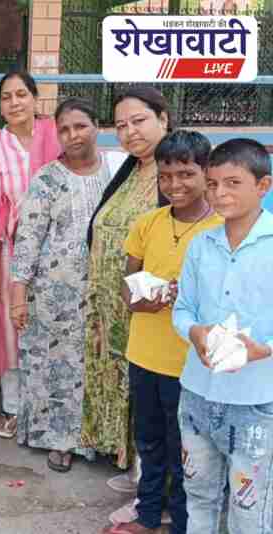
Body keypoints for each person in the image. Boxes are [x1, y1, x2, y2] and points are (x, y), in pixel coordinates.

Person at [102, 131, 221, 534]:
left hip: (189, 363)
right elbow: (127, 281)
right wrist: (138, 299)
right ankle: (148, 514)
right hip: (144, 354)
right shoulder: (147, 223)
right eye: (166, 176)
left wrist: (182, 297)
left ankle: (183, 524)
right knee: (150, 442)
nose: (175, 185)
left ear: (207, 172)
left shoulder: (222, 228)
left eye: (186, 174)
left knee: (186, 450)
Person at [7, 98, 112, 472]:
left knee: (96, 364)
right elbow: (28, 239)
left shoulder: (116, 171)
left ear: (97, 127)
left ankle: (98, 438)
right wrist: (18, 296)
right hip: (54, 296)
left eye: (80, 126)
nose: (73, 135)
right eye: (65, 129)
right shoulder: (47, 178)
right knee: (56, 367)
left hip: (104, 292)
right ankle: (58, 440)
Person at [174, 138, 273, 534]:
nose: (219, 193)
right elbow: (183, 309)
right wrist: (195, 332)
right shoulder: (202, 245)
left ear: (262, 186)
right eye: (213, 184)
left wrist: (264, 349)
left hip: (257, 404)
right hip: (197, 396)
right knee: (197, 498)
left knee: (250, 511)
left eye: (233, 183)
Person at [82, 86, 172, 471]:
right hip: (108, 306)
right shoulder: (130, 170)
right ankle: (119, 452)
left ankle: (144, 470)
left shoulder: (174, 175)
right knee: (114, 377)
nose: (130, 132)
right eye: (121, 125)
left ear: (163, 119)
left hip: (146, 308)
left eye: (139, 121)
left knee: (145, 390)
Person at [0, 70, 61, 439]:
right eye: (6, 97)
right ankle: (14, 408)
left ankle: (49, 409)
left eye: (20, 95)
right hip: (16, 251)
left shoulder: (57, 135)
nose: (14, 103)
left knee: (55, 327)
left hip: (61, 249)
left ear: (34, 98)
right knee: (15, 328)